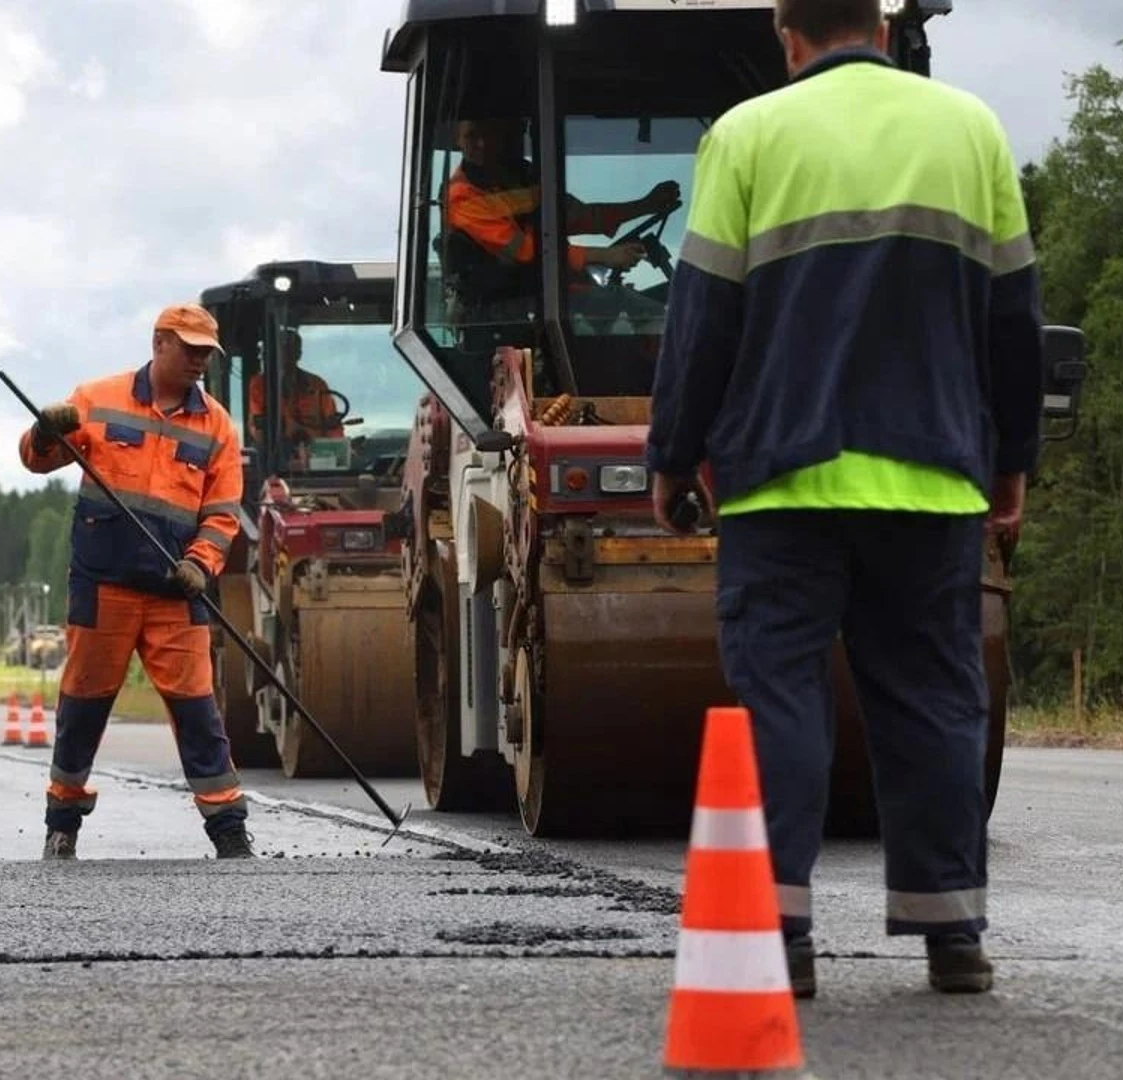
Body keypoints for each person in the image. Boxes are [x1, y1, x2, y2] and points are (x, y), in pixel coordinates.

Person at [645, 0, 1043, 998]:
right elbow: (1012, 320)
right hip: (934, 473)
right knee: (937, 698)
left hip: (782, 479)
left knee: (783, 699)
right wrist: (1010, 456)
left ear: (788, 34)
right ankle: (952, 933)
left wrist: (674, 452)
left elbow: (704, 318)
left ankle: (780, 934)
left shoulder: (745, 137)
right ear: (879, 22)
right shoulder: (971, 130)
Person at [17, 302, 253, 861]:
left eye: (206, 353)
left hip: (177, 593)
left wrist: (199, 564)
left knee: (199, 713)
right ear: (159, 343)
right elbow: (37, 460)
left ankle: (229, 831)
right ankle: (62, 825)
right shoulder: (96, 400)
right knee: (83, 707)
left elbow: (222, 515)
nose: (199, 361)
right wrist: (45, 431)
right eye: (190, 349)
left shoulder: (217, 425)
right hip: (104, 590)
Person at [441, 116, 683, 325]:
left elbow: (578, 216)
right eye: (472, 136)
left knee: (653, 307)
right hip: (505, 307)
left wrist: (645, 205)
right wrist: (604, 256)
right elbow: (525, 250)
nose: (482, 143)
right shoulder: (461, 195)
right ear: (457, 139)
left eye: (489, 133)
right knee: (647, 314)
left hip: (551, 294)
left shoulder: (523, 177)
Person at [247, 328, 344, 452]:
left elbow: (333, 425)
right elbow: (258, 427)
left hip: (314, 461)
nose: (285, 357)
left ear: (299, 354)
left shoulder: (317, 385)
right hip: (275, 460)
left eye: (289, 351)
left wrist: (337, 451)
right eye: (281, 351)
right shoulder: (259, 385)